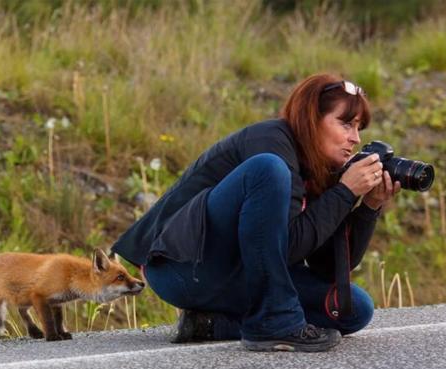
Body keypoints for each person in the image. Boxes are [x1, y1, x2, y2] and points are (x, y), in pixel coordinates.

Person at [111, 73, 401, 352]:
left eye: (358, 129)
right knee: (267, 168)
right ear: (312, 120)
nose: (354, 139)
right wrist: (344, 192)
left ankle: (212, 325)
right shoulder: (271, 140)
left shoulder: (319, 168)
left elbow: (326, 266)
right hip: (182, 269)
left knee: (351, 308)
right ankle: (274, 323)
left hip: (241, 274)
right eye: (346, 124)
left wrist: (368, 207)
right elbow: (286, 248)